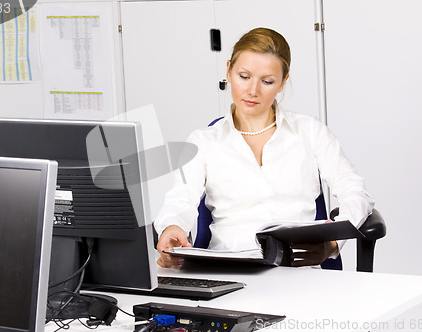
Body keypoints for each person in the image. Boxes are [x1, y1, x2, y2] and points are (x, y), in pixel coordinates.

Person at [154, 27, 374, 268]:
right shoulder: (205, 141)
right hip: (230, 274)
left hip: (299, 274)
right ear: (228, 70)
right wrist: (172, 226)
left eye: (267, 81)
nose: (252, 91)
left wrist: (333, 243)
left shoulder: (310, 131)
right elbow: (179, 200)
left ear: (282, 82)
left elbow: (355, 192)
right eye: (244, 76)